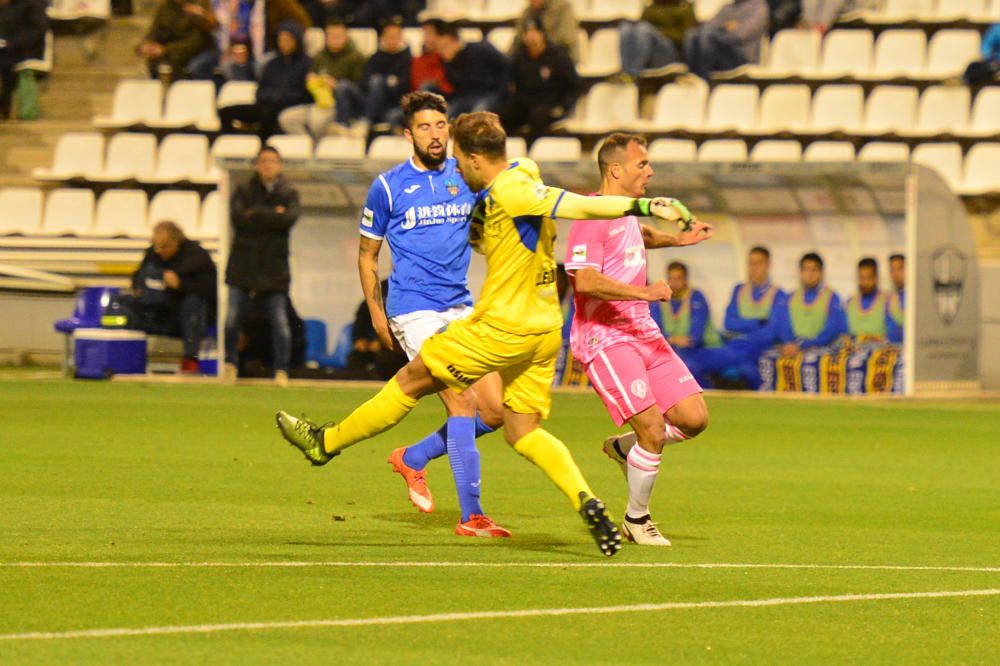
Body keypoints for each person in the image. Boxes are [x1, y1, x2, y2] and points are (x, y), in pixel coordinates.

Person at [275, 110, 695, 557]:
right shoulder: (521, 171)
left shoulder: (514, 190)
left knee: (413, 379)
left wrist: (645, 204)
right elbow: (518, 188)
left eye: (459, 157)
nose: (455, 166)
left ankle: (326, 443)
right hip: (544, 330)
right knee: (521, 431)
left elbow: (576, 204)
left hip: (500, 327)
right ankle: (586, 500)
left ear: (476, 159)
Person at [357, 91, 509, 537]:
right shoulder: (387, 187)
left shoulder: (465, 178)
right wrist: (377, 314)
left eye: (441, 126)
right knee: (461, 400)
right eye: (424, 127)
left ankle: (413, 457)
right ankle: (473, 515)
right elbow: (368, 255)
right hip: (414, 312)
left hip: (461, 307)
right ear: (409, 134)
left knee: (497, 412)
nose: (435, 135)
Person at [564, 132, 712, 546]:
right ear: (615, 170)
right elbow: (586, 281)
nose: (650, 171)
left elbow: (639, 235)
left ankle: (626, 449)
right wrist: (645, 292)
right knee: (652, 428)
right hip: (606, 338)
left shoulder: (625, 212)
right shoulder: (590, 216)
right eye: (642, 164)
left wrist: (678, 239)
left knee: (693, 419)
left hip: (642, 330)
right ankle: (636, 519)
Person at [224, 146, 300, 386]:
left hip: (274, 268)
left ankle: (281, 370)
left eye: (272, 161)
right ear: (256, 165)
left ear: (279, 165)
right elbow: (239, 220)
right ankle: (230, 364)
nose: (268, 165)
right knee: (232, 319)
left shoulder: (289, 193)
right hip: (243, 265)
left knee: (280, 321)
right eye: (263, 161)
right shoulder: (243, 190)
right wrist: (272, 214)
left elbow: (287, 220)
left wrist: (256, 213)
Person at [125, 221, 217, 373]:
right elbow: (138, 276)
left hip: (186, 317)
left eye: (164, 246)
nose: (159, 250)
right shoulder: (152, 254)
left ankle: (190, 361)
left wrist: (181, 285)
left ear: (177, 241)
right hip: (156, 310)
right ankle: (126, 358)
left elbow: (210, 291)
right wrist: (138, 287)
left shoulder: (197, 256)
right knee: (123, 306)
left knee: (192, 303)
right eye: (156, 245)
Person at [702, 245, 786, 388]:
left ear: (767, 266)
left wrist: (743, 331)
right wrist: (758, 321)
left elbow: (770, 333)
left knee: (703, 362)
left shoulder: (779, 295)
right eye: (751, 263)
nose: (754, 268)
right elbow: (728, 322)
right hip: (735, 345)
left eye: (758, 263)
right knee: (744, 369)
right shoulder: (739, 290)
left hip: (756, 348)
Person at [219, 20, 311, 138]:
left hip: (288, 108)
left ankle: (262, 149)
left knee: (268, 115)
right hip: (265, 104)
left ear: (296, 41)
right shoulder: (272, 64)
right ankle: (231, 143)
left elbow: (305, 94)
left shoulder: (307, 64)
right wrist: (268, 96)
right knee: (225, 112)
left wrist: (281, 98)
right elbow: (261, 89)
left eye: (287, 40)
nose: (283, 43)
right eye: (281, 40)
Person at [278, 18, 366, 138]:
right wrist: (311, 81)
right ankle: (307, 144)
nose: (334, 39)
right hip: (318, 102)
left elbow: (361, 89)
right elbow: (310, 80)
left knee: (317, 121)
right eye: (330, 36)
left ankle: (319, 149)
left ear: (346, 36)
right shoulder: (319, 56)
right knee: (286, 118)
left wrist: (335, 85)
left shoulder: (356, 58)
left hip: (338, 105)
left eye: (338, 36)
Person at [189, 0, 312, 82]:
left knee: (261, 65)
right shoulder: (245, 5)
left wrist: (284, 34)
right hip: (245, 50)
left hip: (274, 50)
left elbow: (304, 23)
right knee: (230, 66)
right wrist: (237, 50)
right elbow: (241, 34)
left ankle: (261, 99)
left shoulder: (280, 3)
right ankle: (240, 100)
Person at [501, 20, 580, 144]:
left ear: (542, 34)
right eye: (528, 33)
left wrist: (564, 106)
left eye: (535, 33)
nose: (532, 37)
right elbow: (509, 81)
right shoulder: (519, 57)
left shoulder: (557, 56)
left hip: (550, 105)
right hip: (525, 103)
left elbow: (575, 85)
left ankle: (531, 150)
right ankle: (506, 150)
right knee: (505, 114)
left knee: (538, 116)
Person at [773, 251, 847, 356]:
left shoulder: (832, 298)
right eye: (806, 269)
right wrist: (789, 343)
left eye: (814, 270)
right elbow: (782, 325)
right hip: (791, 349)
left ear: (821, 273)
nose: (810, 274)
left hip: (820, 350)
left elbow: (833, 328)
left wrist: (807, 345)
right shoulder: (789, 298)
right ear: (800, 272)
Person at [660, 260, 721, 386]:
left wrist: (671, 339)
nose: (674, 283)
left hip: (702, 349)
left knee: (689, 367)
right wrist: (673, 340)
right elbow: (656, 331)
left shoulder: (696, 297)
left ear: (686, 280)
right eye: (671, 279)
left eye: (678, 279)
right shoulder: (660, 301)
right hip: (672, 350)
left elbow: (695, 337)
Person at [436, 21, 509, 117]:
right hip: (466, 97)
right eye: (439, 48)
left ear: (455, 41)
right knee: (448, 114)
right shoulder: (448, 63)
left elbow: (507, 65)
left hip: (490, 94)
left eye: (445, 46)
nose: (442, 51)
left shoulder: (481, 49)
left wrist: (502, 91)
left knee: (478, 115)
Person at [684, 0, 768, 80]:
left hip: (743, 58)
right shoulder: (728, 7)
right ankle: (694, 76)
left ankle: (702, 79)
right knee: (692, 35)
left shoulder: (758, 6)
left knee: (709, 37)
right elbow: (709, 25)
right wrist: (727, 26)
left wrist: (722, 29)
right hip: (722, 52)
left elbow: (741, 34)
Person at [615, 0, 696, 83]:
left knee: (644, 28)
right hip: (650, 53)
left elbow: (686, 37)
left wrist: (659, 32)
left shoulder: (686, 8)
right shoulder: (650, 8)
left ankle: (632, 74)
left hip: (672, 54)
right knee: (626, 28)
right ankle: (625, 72)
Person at [344, 280, 407, 380]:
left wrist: (383, 343)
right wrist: (360, 339)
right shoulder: (382, 287)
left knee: (386, 358)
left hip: (399, 348)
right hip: (376, 343)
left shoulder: (412, 289)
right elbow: (362, 317)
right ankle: (359, 386)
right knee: (355, 357)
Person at [137, 0, 214, 81]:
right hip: (169, 52)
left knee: (174, 65)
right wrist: (147, 46)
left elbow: (196, 42)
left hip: (193, 52)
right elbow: (154, 32)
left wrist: (165, 50)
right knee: (154, 64)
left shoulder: (200, 6)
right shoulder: (165, 7)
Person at [0, 0, 48, 120]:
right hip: (5, 51)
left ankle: (6, 107)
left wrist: (12, 43)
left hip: (25, 52)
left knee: (8, 68)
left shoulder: (32, 4)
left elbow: (38, 29)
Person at [362, 16, 412, 131]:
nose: (392, 40)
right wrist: (388, 81)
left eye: (396, 37)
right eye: (389, 37)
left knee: (377, 81)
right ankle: (367, 120)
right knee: (376, 81)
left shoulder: (408, 59)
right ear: (382, 38)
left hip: (396, 103)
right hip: (373, 101)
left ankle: (367, 120)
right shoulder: (375, 58)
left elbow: (406, 86)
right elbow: (364, 83)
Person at [511, 0, 579, 63]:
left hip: (559, 58)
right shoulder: (528, 12)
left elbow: (565, 38)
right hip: (531, 59)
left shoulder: (563, 8)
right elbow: (518, 39)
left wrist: (540, 44)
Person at [846, 257, 888, 342]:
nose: (864, 282)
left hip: (880, 352)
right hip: (853, 352)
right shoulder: (850, 303)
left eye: (868, 278)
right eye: (861, 277)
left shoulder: (888, 301)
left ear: (876, 278)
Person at [886, 253, 904, 344]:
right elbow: (891, 333)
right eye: (892, 269)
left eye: (900, 268)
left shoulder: (918, 297)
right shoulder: (890, 299)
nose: (895, 274)